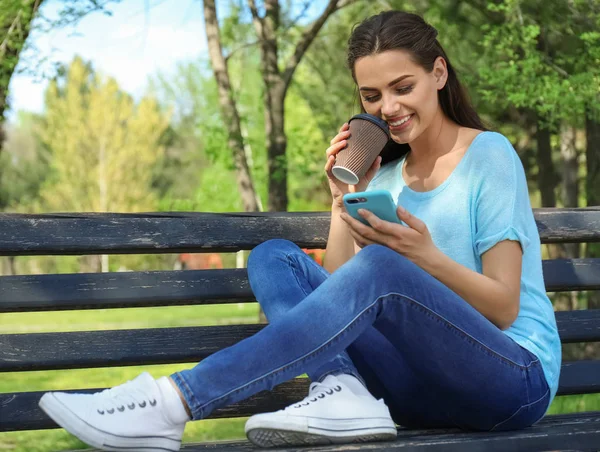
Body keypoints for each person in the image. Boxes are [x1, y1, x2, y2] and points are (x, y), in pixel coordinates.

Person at [38, 10, 561, 451]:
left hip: (510, 382)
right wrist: (340, 200)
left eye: (404, 87)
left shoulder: (486, 155)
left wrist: (423, 255)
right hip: (415, 391)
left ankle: (171, 401)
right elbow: (336, 303)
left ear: (439, 74)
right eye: (372, 96)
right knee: (274, 256)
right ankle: (343, 390)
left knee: (383, 263)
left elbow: (503, 306)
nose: (389, 109)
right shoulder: (390, 180)